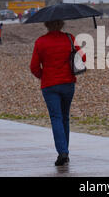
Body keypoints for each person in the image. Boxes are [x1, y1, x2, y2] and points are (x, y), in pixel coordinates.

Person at [30, 20, 86, 166]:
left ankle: (62, 152)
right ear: (61, 24)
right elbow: (83, 58)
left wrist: (43, 75)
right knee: (64, 117)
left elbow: (34, 66)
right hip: (68, 83)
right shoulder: (70, 38)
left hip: (49, 85)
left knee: (56, 117)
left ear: (46, 25)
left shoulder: (41, 41)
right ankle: (64, 151)